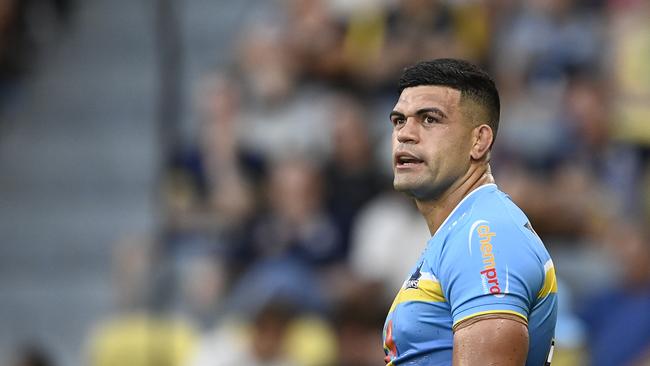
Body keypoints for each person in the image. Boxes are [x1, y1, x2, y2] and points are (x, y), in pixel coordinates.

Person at [382, 59, 558, 365]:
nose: (405, 134)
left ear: (479, 141)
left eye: (429, 119)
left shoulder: (484, 233)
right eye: (399, 120)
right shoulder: (462, 230)